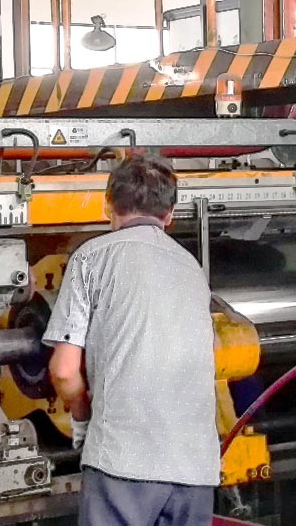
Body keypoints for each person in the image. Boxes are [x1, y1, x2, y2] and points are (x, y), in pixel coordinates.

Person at [45, 154, 219, 526]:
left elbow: (63, 371)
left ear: (108, 205)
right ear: (170, 214)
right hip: (197, 470)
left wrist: (82, 420)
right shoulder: (192, 268)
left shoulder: (91, 258)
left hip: (123, 463)